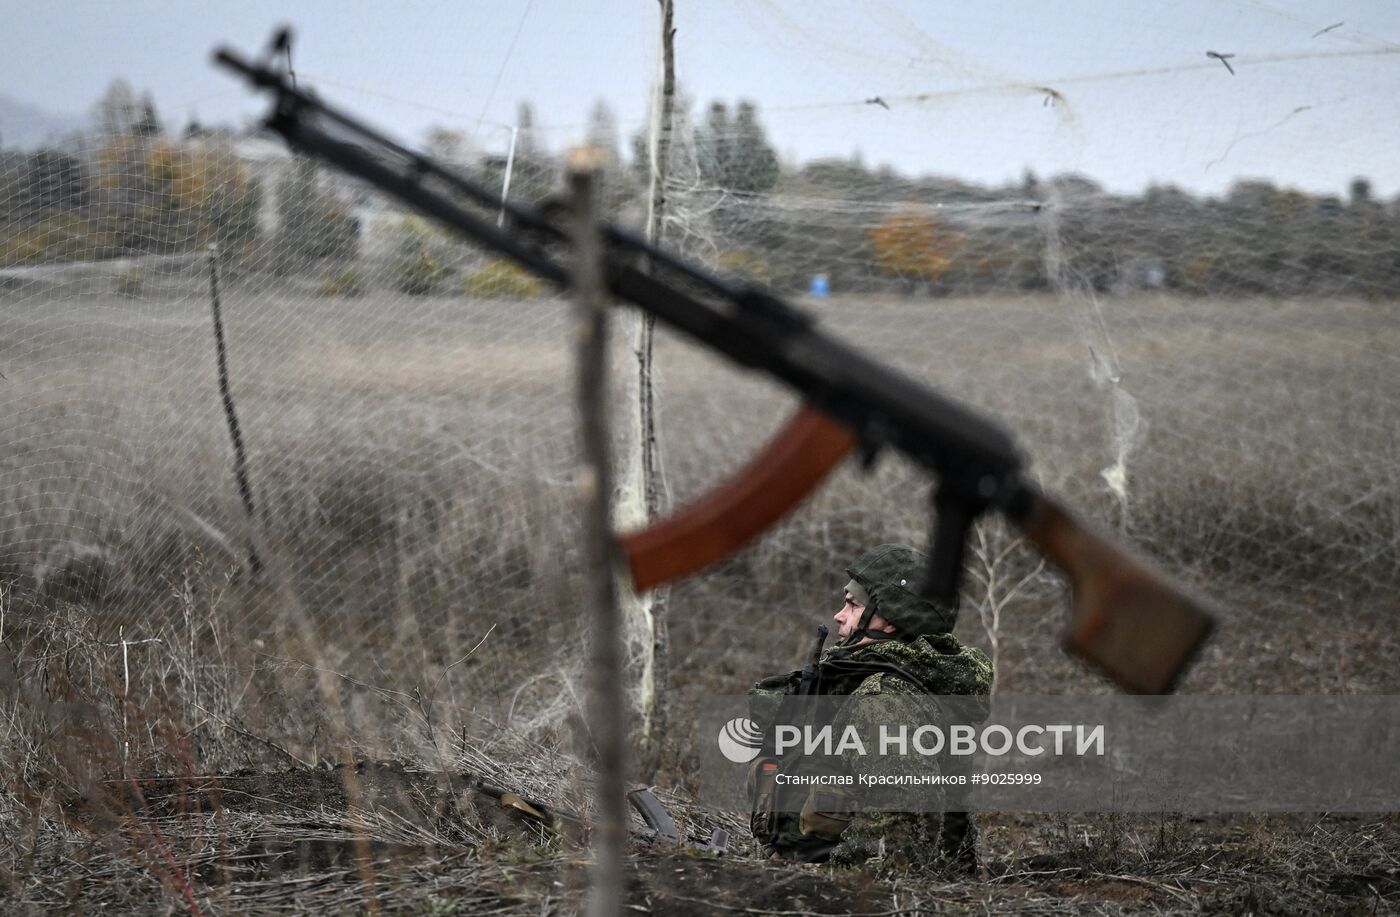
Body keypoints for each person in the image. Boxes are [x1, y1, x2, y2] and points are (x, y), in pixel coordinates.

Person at [747, 543, 993, 875]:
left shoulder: (884, 700)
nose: (839, 615)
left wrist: (829, 879)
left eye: (852, 605)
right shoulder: (864, 682)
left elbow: (904, 816)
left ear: (890, 620)